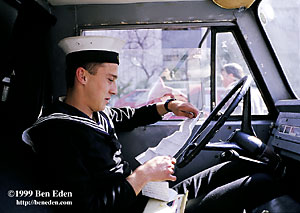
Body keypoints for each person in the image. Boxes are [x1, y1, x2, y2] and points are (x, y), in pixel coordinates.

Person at [22, 36, 280, 213]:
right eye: (110, 79)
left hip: (141, 196)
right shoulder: (57, 134)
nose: (114, 89)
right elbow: (88, 209)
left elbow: (129, 116)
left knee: (238, 166)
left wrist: (169, 106)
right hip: (133, 206)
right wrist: (144, 174)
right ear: (82, 76)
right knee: (260, 183)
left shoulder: (95, 113)